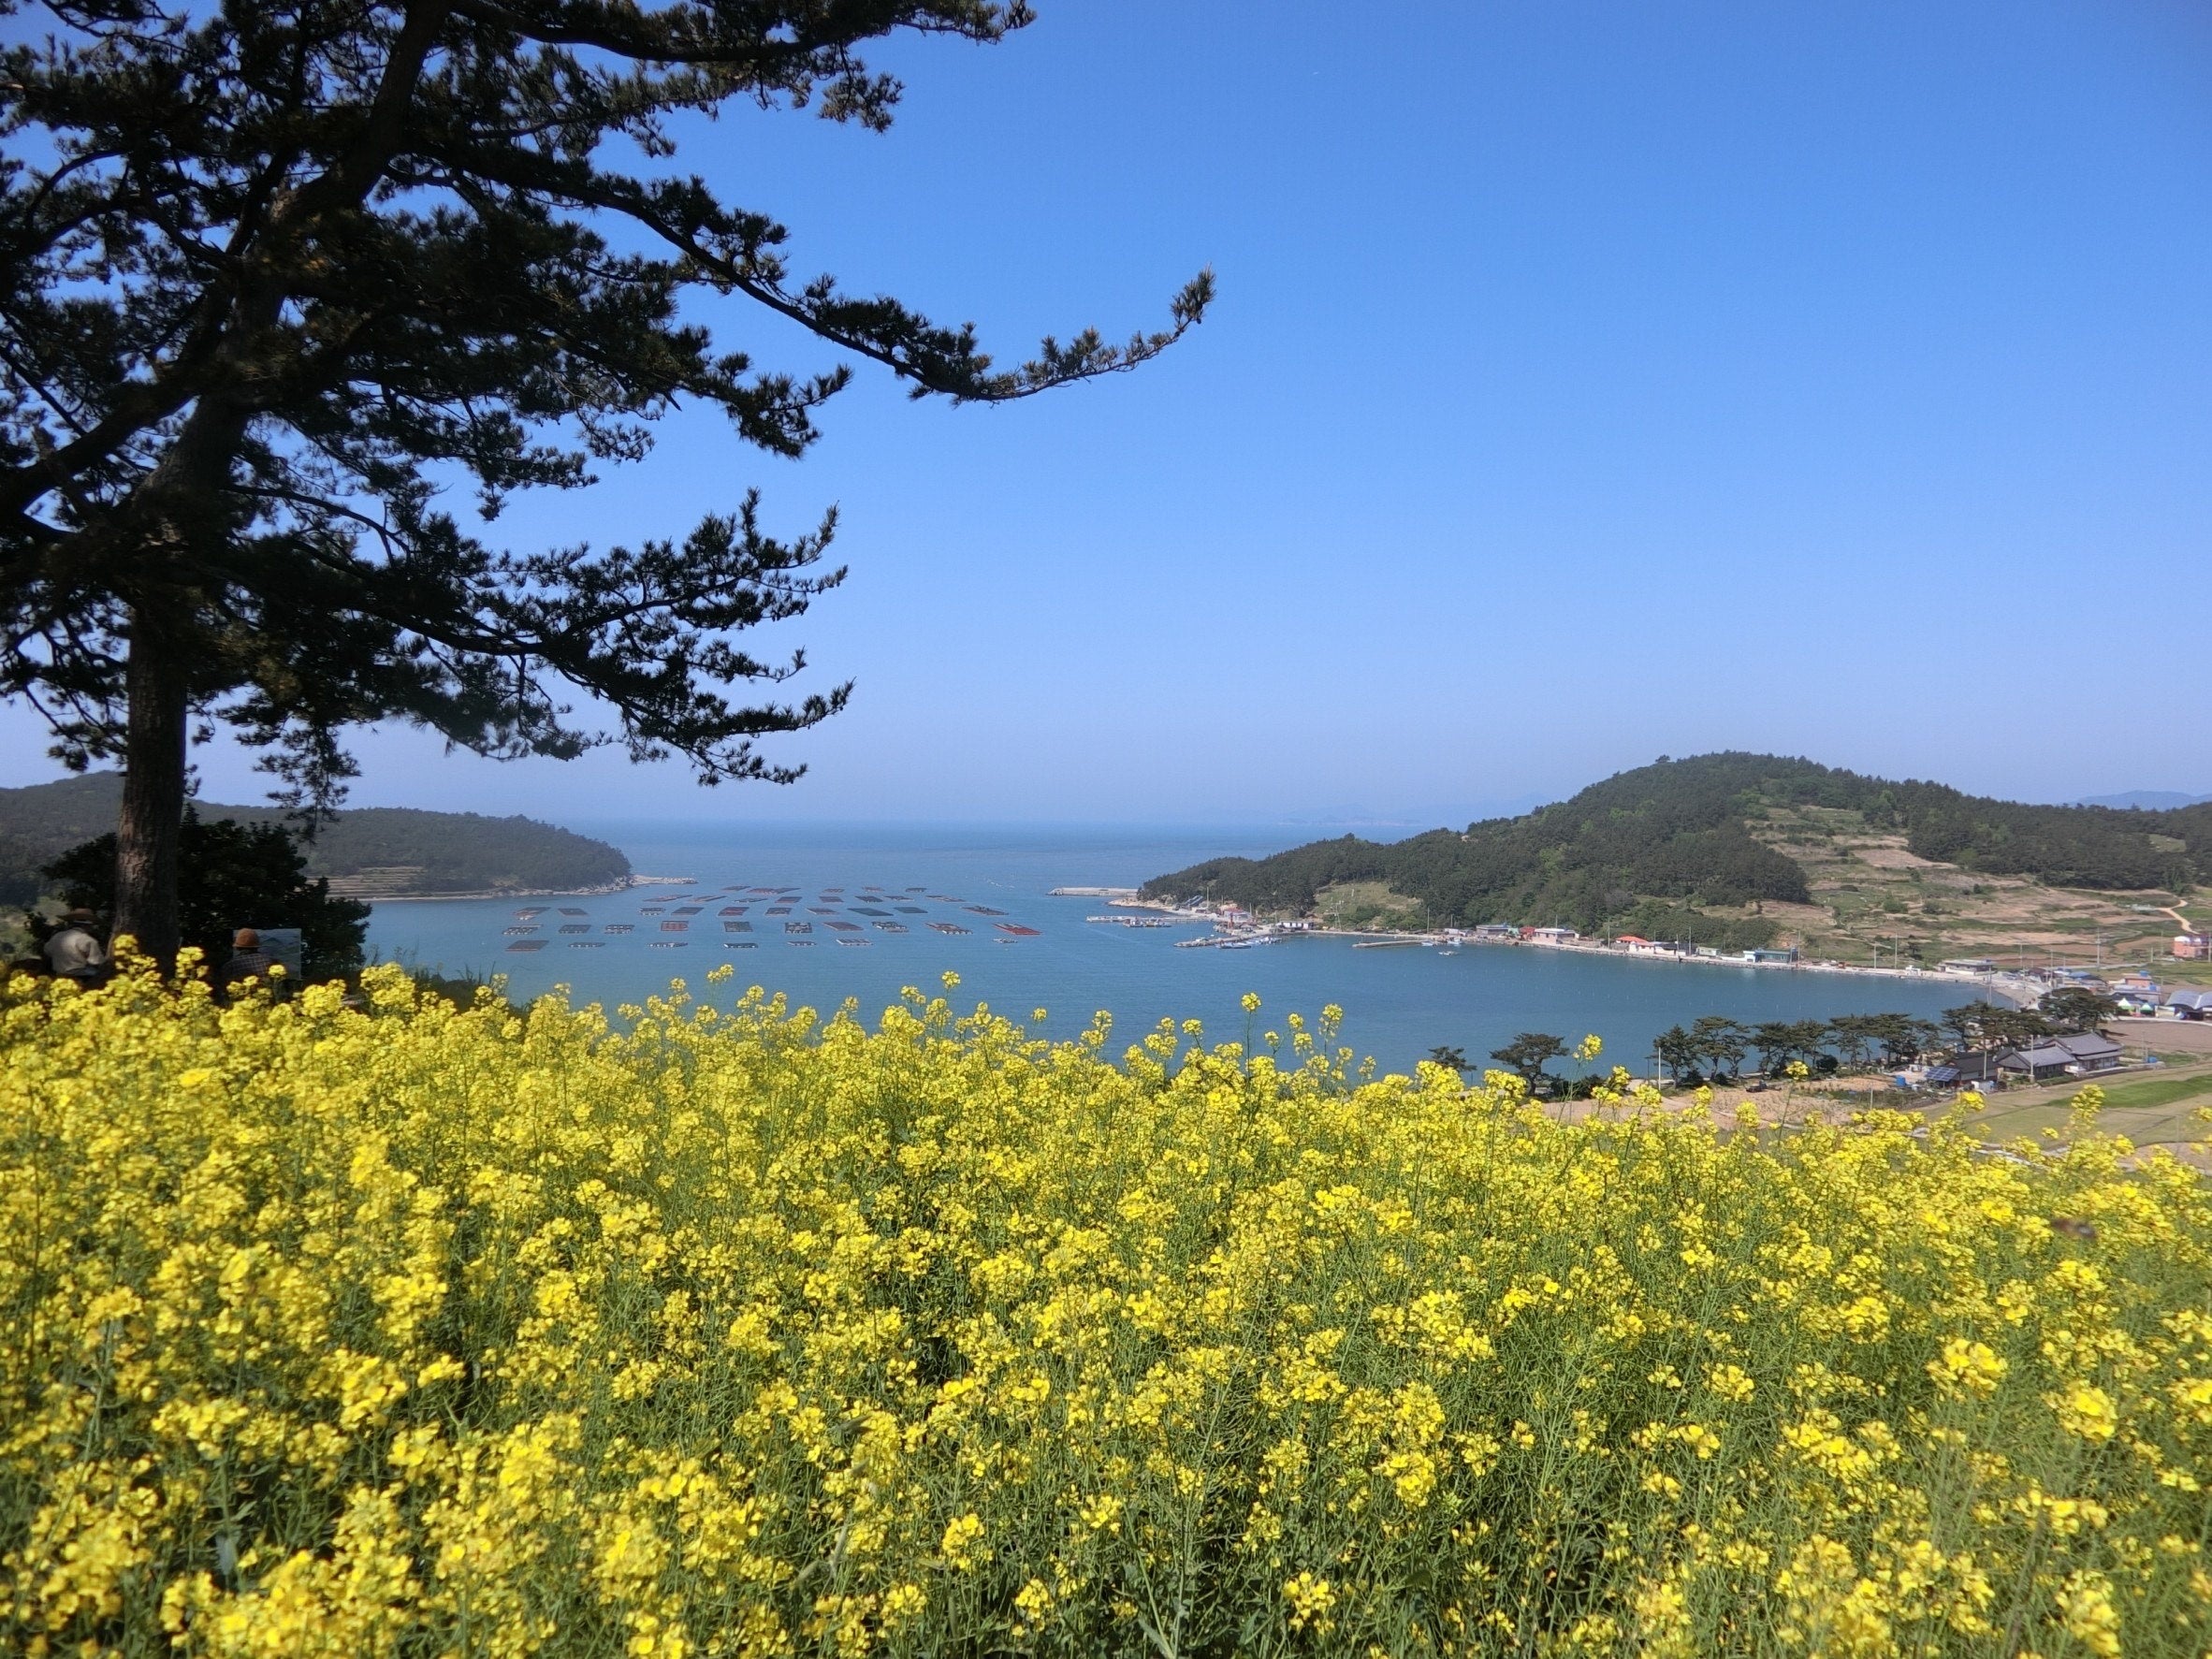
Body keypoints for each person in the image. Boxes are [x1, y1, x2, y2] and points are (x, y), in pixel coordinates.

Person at [42, 908, 107, 986]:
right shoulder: (87, 939)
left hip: (60, 975)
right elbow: (97, 961)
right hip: (81, 975)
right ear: (87, 925)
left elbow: (47, 951)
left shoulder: (57, 936)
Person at [219, 927, 277, 997]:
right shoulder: (271, 961)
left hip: (241, 1003)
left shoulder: (229, 965)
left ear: (237, 947)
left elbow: (224, 989)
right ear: (257, 946)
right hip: (267, 999)